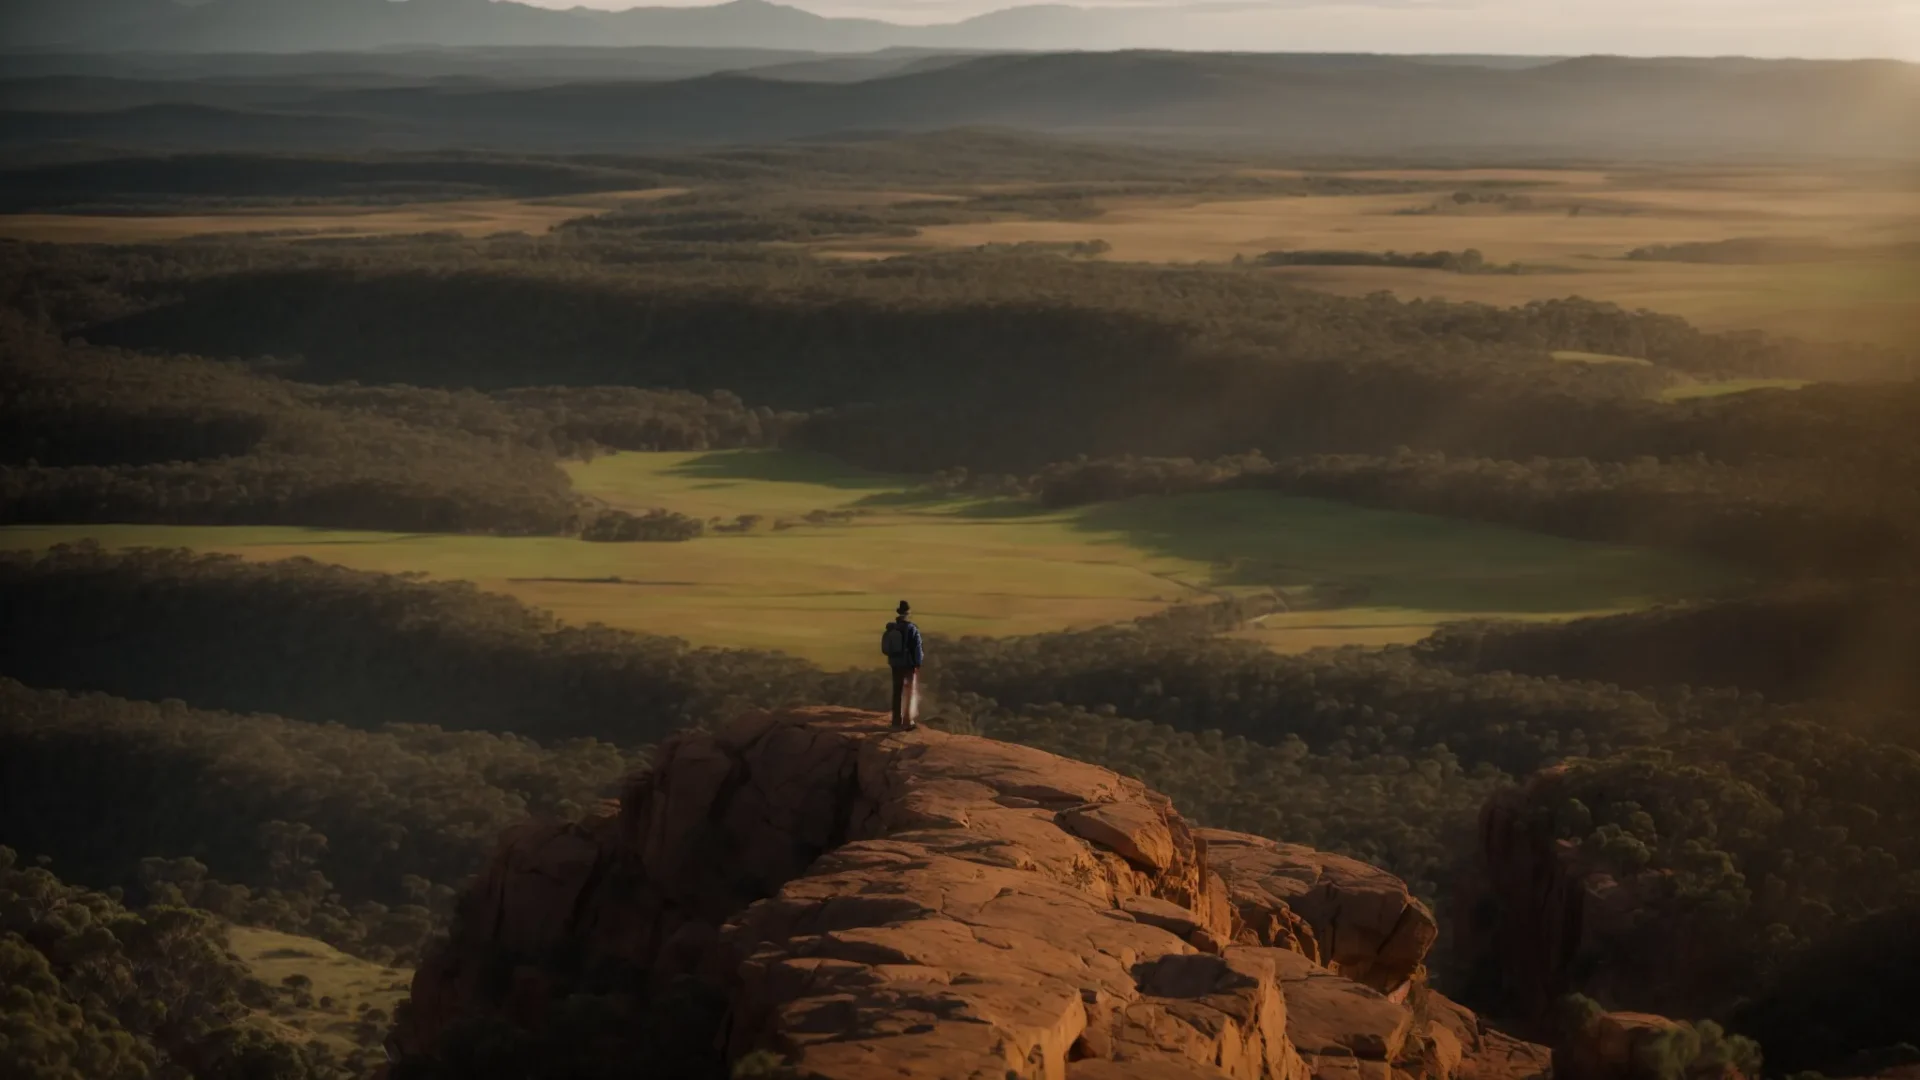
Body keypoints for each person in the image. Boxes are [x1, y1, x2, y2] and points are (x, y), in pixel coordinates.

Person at [880, 600, 924, 730]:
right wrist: (917, 663)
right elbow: (917, 648)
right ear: (908, 613)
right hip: (909, 664)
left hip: (895, 663)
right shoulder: (912, 629)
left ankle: (895, 720)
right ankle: (907, 720)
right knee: (910, 691)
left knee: (897, 692)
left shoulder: (893, 628)